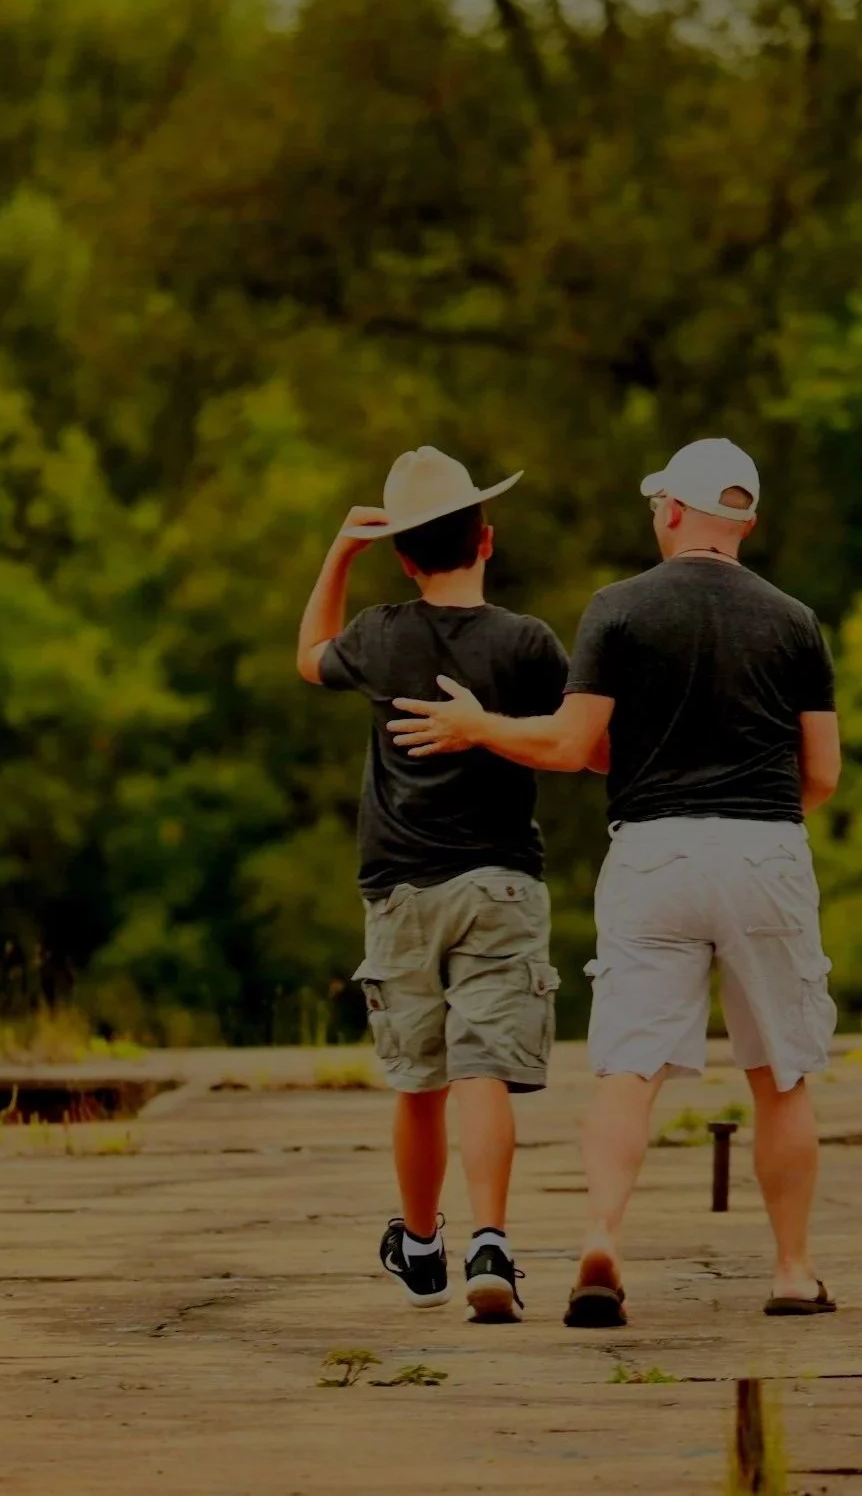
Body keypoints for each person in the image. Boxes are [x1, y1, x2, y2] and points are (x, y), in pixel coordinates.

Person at [387, 436, 843, 1328]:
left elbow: (569, 747)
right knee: (781, 1075)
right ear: (744, 517)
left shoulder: (620, 610)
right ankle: (792, 1271)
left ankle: (602, 1237)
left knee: (628, 1069)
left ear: (673, 510)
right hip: (766, 853)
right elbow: (821, 773)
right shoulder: (795, 621)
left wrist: (480, 726)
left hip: (654, 854)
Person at [295, 446, 573, 1323]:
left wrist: (339, 555)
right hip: (500, 885)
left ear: (404, 558)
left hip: (401, 891)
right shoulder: (528, 643)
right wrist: (491, 728)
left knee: (420, 1081)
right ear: (486, 540)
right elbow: (575, 739)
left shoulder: (378, 635)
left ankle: (422, 1246)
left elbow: (309, 656)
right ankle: (491, 1239)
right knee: (484, 1069)